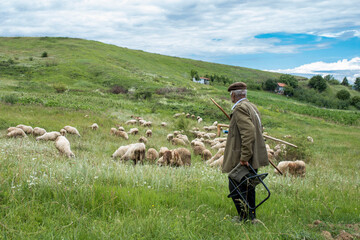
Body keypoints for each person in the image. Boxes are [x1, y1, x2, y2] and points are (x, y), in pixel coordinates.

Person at [222, 82, 269, 223]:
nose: (230, 97)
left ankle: (243, 218)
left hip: (245, 156)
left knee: (235, 183)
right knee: (249, 185)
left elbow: (248, 132)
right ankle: (252, 217)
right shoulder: (252, 107)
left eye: (231, 95)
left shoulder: (240, 109)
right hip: (254, 155)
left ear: (233, 95)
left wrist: (244, 157)